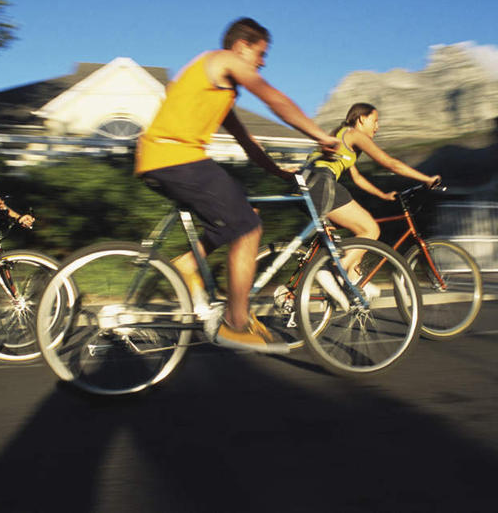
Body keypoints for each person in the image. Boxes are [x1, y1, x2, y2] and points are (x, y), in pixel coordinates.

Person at [135, 17, 340, 353]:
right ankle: (234, 324)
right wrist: (319, 135)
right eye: (260, 54)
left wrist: (279, 172)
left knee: (246, 213)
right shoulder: (224, 59)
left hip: (164, 160)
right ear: (242, 46)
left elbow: (246, 141)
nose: (262, 62)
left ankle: (188, 264)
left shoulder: (219, 88)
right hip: (175, 157)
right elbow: (274, 99)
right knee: (249, 229)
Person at [305, 102, 441, 303]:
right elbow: (390, 163)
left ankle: (347, 280)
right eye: (375, 121)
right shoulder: (354, 134)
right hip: (321, 183)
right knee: (370, 229)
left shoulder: (342, 137)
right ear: (362, 119)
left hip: (305, 184)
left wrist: (382, 195)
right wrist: (426, 179)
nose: (377, 126)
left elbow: (358, 179)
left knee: (349, 238)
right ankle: (333, 271)